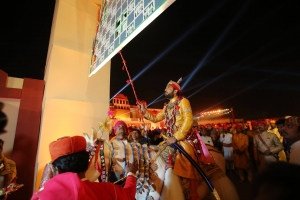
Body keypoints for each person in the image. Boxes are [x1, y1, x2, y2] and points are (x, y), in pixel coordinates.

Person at [138, 78, 200, 200]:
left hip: (184, 138)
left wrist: (176, 137)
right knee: (156, 152)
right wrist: (144, 111)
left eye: (168, 88)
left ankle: (193, 193)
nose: (165, 90)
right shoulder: (166, 106)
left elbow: (188, 121)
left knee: (188, 156)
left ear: (176, 91)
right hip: (169, 139)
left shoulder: (183, 102)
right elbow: (155, 118)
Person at [31, 136, 137, 200]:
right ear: (87, 164)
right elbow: (128, 195)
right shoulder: (107, 190)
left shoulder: (43, 194)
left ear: (57, 170)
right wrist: (131, 174)